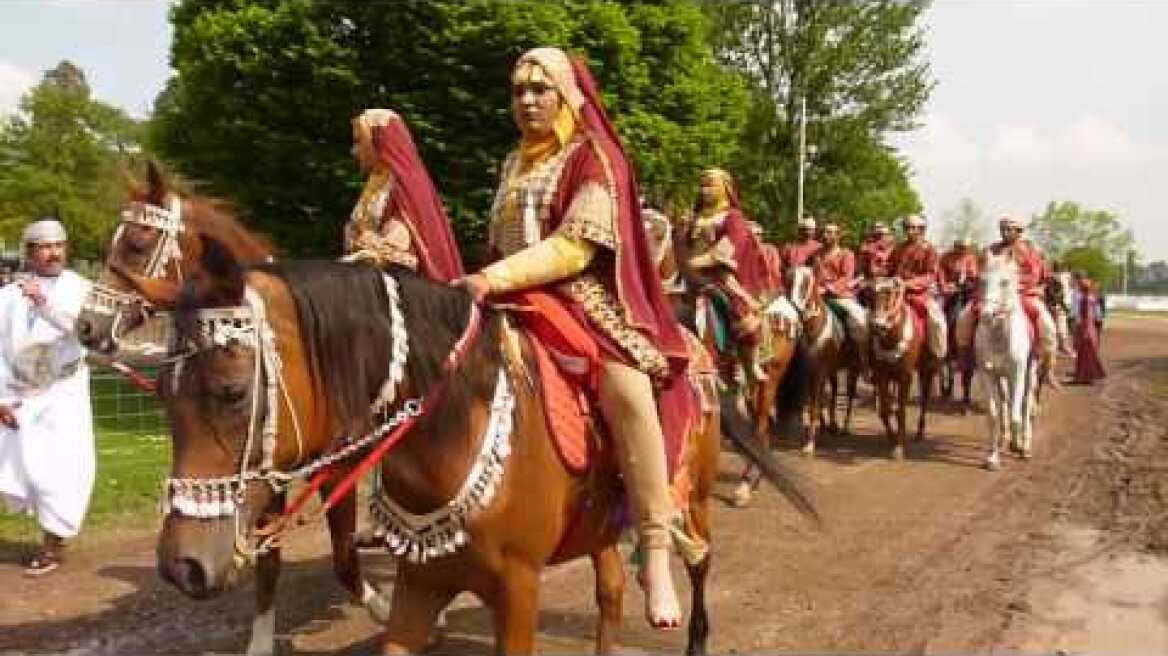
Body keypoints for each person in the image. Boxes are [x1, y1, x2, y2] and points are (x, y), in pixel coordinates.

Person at [455, 47, 697, 630]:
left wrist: (492, 278)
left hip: (579, 299)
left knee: (628, 388)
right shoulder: (512, 162)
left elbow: (572, 248)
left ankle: (656, 549)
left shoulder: (594, 156)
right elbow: (500, 240)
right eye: (518, 90)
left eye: (539, 90)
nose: (527, 100)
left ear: (566, 96)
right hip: (507, 294)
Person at [0, 218, 95, 577]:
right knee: (26, 470)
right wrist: (1, 397)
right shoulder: (8, 295)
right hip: (22, 393)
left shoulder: (81, 288)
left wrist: (44, 304)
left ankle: (52, 545)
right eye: (44, 246)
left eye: (59, 245)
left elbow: (85, 333)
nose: (53, 253)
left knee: (64, 469)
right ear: (29, 252)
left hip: (66, 392)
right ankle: (50, 536)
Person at [344, 108, 464, 282]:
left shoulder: (403, 185)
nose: (354, 151)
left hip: (401, 282)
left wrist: (368, 246)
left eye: (359, 142)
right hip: (367, 277)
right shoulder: (376, 183)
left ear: (378, 141)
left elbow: (400, 251)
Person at [686, 168, 775, 381]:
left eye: (710, 185)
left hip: (719, 275)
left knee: (739, 310)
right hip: (688, 274)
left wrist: (698, 262)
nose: (704, 190)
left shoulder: (733, 217)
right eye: (702, 185)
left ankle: (747, 361)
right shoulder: (695, 217)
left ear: (725, 188)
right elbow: (685, 243)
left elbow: (728, 247)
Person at [956, 215, 1059, 386]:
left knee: (1048, 325)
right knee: (964, 317)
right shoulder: (991, 250)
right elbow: (981, 271)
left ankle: (1047, 366)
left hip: (1022, 294)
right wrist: (980, 280)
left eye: (1009, 229)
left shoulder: (1029, 250)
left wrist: (1013, 284)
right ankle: (965, 357)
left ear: (1019, 232)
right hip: (992, 296)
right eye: (1003, 229)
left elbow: (1033, 275)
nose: (1005, 232)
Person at [812, 221, 869, 373]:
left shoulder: (846, 254)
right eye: (824, 232)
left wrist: (827, 288)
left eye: (830, 232)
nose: (826, 235)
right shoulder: (816, 255)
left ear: (838, 236)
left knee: (860, 320)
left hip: (840, 296)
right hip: (816, 295)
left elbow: (846, 277)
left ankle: (862, 360)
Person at [888, 214, 947, 359]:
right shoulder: (898, 248)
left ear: (922, 230)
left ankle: (938, 356)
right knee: (875, 316)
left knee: (937, 321)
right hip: (895, 294)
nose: (911, 231)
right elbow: (889, 269)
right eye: (908, 227)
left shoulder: (929, 249)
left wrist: (907, 283)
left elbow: (930, 275)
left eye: (915, 228)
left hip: (919, 295)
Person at [1070, 275, 1106, 384]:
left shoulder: (1084, 299)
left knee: (1084, 353)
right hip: (1091, 328)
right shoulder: (1092, 298)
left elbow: (1085, 316)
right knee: (1089, 353)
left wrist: (1082, 330)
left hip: (1085, 328)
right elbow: (1097, 316)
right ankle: (1088, 376)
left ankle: (1083, 377)